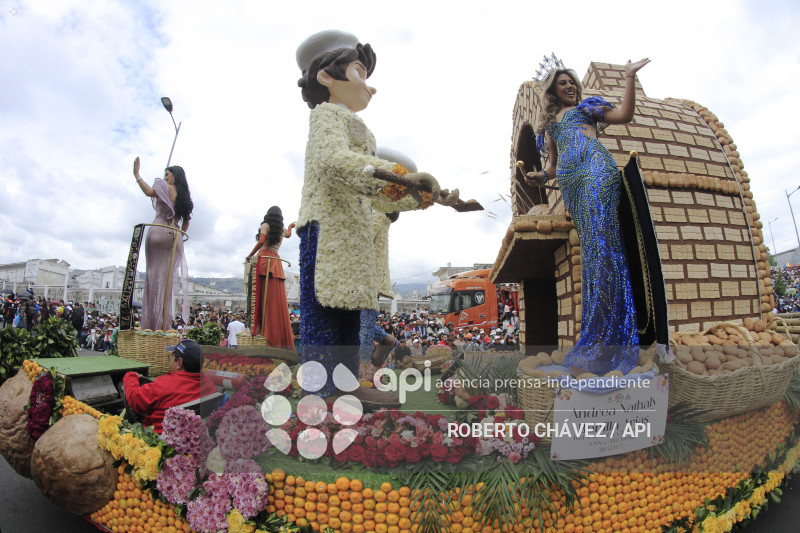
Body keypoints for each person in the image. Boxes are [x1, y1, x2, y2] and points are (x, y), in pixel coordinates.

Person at [295, 30, 444, 404]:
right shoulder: (326, 115)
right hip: (327, 229)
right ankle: (320, 390)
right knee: (325, 312)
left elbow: (376, 197)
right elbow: (334, 162)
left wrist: (419, 196)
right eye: (361, 72)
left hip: (353, 233)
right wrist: (400, 179)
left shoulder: (363, 130)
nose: (370, 88)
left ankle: (345, 385)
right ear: (327, 77)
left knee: (347, 313)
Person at [527, 59, 650, 375]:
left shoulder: (587, 108)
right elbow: (553, 167)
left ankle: (612, 340)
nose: (569, 86)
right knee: (594, 254)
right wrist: (539, 176)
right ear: (554, 90)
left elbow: (624, 115)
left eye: (572, 82)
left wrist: (629, 78)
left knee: (603, 252)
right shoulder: (553, 126)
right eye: (562, 83)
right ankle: (599, 338)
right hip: (572, 184)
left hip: (596, 173)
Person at [133, 157, 192, 332]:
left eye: (167, 174)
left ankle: (150, 326)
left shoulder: (164, 187)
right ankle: (163, 325)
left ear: (174, 176)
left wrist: (137, 175)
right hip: (174, 237)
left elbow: (149, 192)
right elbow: (186, 221)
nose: (165, 178)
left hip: (158, 232)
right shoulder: (184, 196)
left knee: (152, 278)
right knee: (166, 283)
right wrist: (178, 232)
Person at [122, 339, 216, 433]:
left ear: (179, 362)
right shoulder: (209, 384)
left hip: (160, 440)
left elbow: (136, 401)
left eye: (171, 358)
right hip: (189, 437)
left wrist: (130, 376)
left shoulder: (163, 384)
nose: (170, 362)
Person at [245, 206, 296, 351]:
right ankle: (275, 335)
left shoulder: (265, 225)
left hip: (263, 259)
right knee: (275, 299)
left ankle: (261, 332)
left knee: (259, 297)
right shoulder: (282, 230)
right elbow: (289, 235)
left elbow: (261, 241)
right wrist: (291, 226)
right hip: (275, 261)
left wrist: (250, 255)